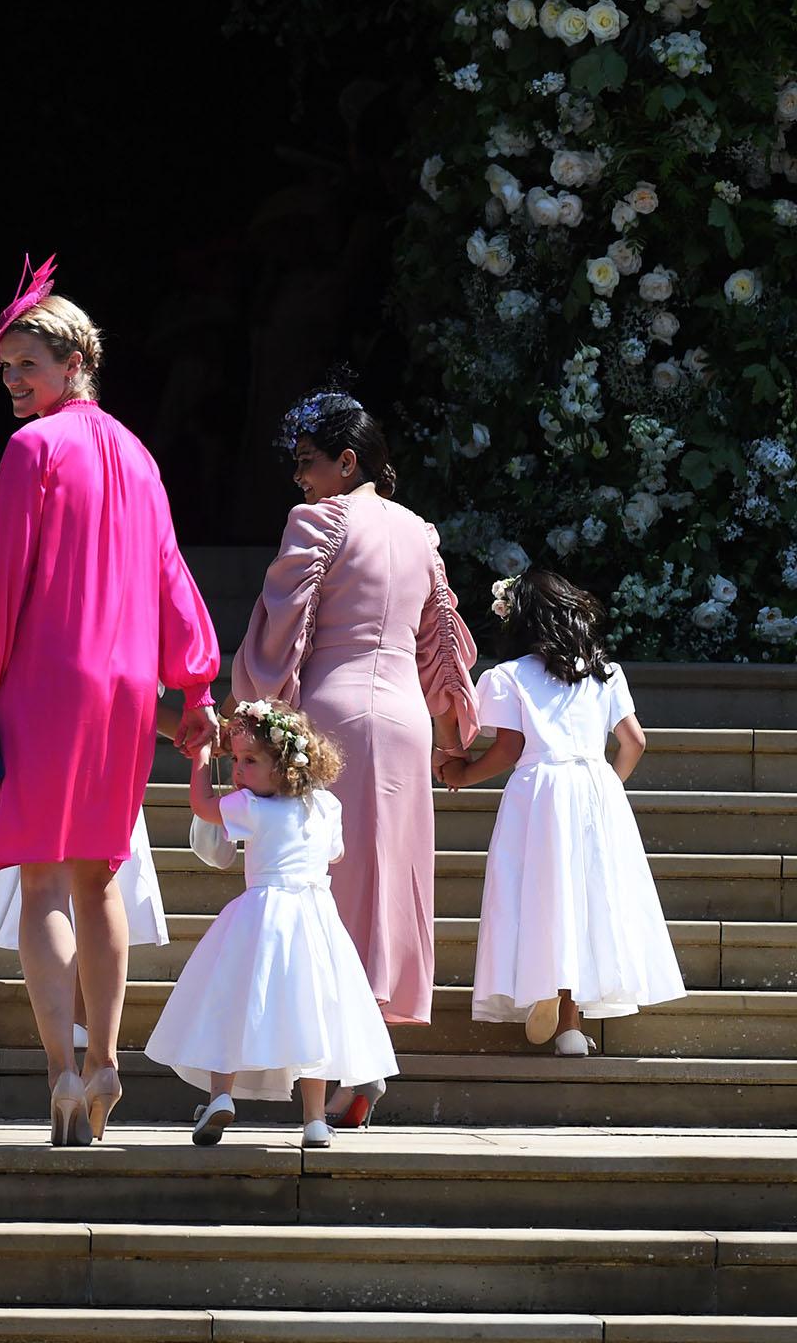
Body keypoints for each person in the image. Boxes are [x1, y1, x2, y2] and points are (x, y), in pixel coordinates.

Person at [0, 256, 221, 1148]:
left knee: (40, 882)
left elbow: (2, 581)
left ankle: (64, 1071)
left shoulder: (32, 449)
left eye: (27, 365)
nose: (14, 383)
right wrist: (196, 683)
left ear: (75, 363)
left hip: (46, 680)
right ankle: (105, 1058)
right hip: (125, 690)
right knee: (102, 873)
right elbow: (172, 575)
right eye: (9, 368)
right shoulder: (139, 455)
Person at [232, 389, 477, 1128]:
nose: (299, 479)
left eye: (307, 464)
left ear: (346, 462)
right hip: (403, 718)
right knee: (384, 888)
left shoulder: (319, 520)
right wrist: (451, 728)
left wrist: (253, 705)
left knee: (328, 890)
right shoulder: (419, 533)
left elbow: (282, 635)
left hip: (336, 713)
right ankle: (361, 1060)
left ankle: (353, 1061)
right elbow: (442, 644)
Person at [441, 570, 684, 1055]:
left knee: (541, 892)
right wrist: (606, 788)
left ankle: (543, 986)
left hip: (539, 791)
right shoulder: (607, 673)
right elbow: (635, 742)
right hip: (595, 785)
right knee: (587, 897)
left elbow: (509, 749)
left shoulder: (509, 676)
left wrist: (460, 775)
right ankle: (571, 1026)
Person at [146, 700, 395, 1149]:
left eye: (250, 761)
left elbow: (204, 807)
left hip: (261, 915)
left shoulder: (249, 807)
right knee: (312, 1012)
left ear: (283, 766)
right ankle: (315, 1119)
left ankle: (221, 1096)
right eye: (236, 760)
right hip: (317, 920)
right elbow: (335, 854)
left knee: (234, 1002)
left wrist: (203, 758)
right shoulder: (327, 805)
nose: (239, 770)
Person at [0, 694, 183, 1004]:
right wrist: (200, 714)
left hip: (45, 721)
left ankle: (71, 1029)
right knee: (93, 885)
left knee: (53, 886)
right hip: (103, 737)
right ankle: (90, 1030)